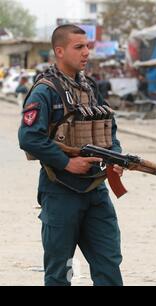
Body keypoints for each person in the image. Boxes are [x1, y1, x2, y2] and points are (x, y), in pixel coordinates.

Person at [18, 24, 124, 286]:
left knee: (109, 264)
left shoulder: (90, 87)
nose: (86, 52)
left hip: (95, 191)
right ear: (60, 51)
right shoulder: (45, 91)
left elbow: (108, 128)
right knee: (60, 271)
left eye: (87, 46)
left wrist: (116, 157)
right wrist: (66, 162)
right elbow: (29, 137)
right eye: (79, 47)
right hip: (61, 191)